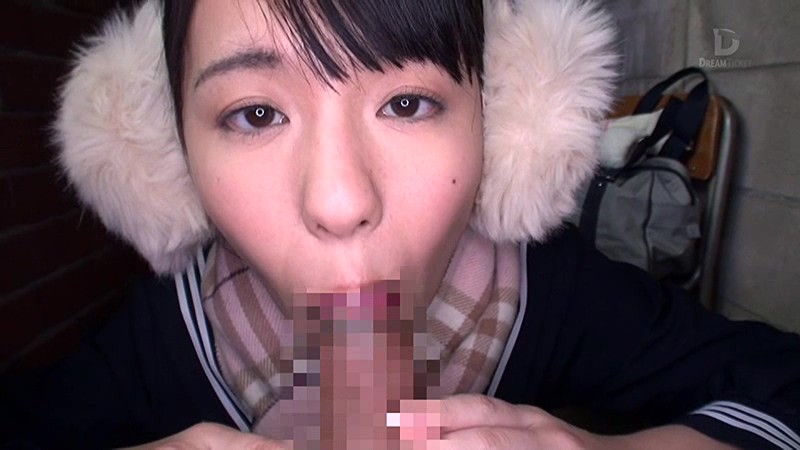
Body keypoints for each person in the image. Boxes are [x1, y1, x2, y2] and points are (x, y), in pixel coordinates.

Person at [2, 0, 799, 448]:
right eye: (255, 114)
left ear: (502, 128)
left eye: (408, 103)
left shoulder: (549, 295)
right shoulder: (169, 336)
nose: (338, 199)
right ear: (166, 158)